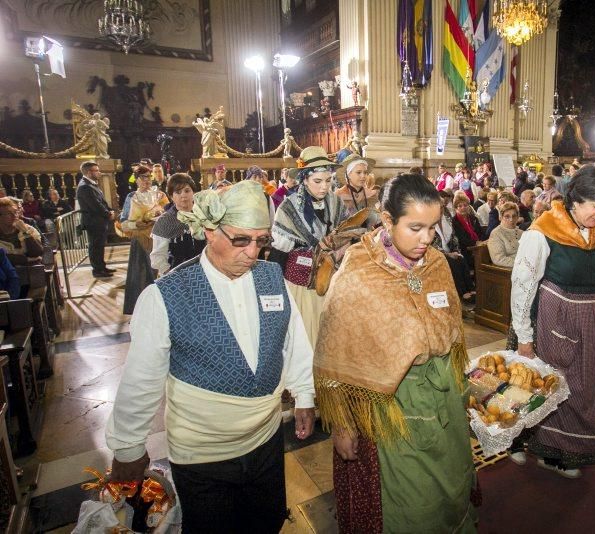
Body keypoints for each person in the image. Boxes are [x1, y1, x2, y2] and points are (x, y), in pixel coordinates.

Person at [106, 179, 315, 533]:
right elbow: (142, 379)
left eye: (261, 241)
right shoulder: (164, 297)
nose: (253, 252)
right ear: (208, 231)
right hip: (202, 455)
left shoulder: (271, 277)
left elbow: (293, 339)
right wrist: (128, 446)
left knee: (266, 521)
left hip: (265, 442)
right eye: (241, 239)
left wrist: (304, 394)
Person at [315, 174, 477, 533]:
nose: (427, 239)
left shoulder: (436, 263)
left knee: (452, 483)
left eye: (434, 227)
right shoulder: (358, 271)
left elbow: (450, 330)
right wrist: (342, 424)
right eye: (416, 227)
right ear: (387, 220)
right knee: (411, 501)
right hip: (390, 410)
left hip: (444, 399)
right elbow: (336, 354)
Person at [509, 166, 595, 476]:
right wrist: (525, 337)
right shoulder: (542, 232)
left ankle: (566, 451)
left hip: (589, 318)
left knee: (585, 388)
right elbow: (523, 288)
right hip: (551, 317)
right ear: (575, 200)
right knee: (545, 385)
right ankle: (524, 442)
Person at [271, 147, 347, 347]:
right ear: (304, 179)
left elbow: (346, 237)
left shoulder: (337, 203)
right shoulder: (288, 208)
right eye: (318, 181)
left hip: (329, 280)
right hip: (300, 286)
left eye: (328, 180)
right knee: (304, 339)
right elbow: (278, 255)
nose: (324, 187)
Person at [120, 165, 168, 315]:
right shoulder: (132, 197)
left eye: (149, 177)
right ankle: (144, 308)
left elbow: (168, 211)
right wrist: (136, 224)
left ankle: (162, 306)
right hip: (141, 239)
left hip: (159, 236)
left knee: (160, 270)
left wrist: (161, 214)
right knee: (142, 274)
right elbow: (123, 223)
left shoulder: (159, 194)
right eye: (143, 177)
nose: (147, 180)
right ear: (136, 179)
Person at [150, 173, 206, 277]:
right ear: (171, 196)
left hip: (207, 273)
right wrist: (171, 276)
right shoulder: (165, 221)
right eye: (178, 192)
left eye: (187, 190)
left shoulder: (204, 214)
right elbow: (158, 256)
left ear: (194, 192)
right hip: (179, 275)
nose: (183, 195)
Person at [76, 161, 115, 278]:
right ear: (89, 172)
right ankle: (97, 270)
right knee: (95, 246)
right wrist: (108, 214)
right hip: (93, 221)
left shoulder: (91, 184)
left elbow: (101, 201)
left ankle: (102, 266)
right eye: (96, 170)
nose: (99, 172)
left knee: (100, 245)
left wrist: (109, 210)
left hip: (98, 221)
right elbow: (95, 205)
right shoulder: (85, 186)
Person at [434, 191, 475, 301]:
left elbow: (454, 237)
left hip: (450, 251)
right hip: (438, 254)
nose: (441, 210)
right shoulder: (429, 223)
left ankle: (471, 289)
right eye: (439, 207)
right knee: (453, 263)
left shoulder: (446, 219)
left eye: (443, 207)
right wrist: (448, 254)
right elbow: (432, 246)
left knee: (461, 259)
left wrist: (456, 251)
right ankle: (462, 293)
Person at [487, 202, 523, 267]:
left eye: (514, 216)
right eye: (507, 216)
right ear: (500, 217)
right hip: (509, 271)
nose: (511, 219)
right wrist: (522, 264)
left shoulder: (521, 233)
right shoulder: (496, 233)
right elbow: (499, 259)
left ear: (518, 217)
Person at [452, 194, 483, 268]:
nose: (463, 208)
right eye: (460, 206)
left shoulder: (473, 218)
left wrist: (480, 242)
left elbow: (480, 232)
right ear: (456, 208)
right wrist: (476, 243)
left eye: (465, 205)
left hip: (477, 247)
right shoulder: (454, 221)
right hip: (464, 250)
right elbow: (461, 238)